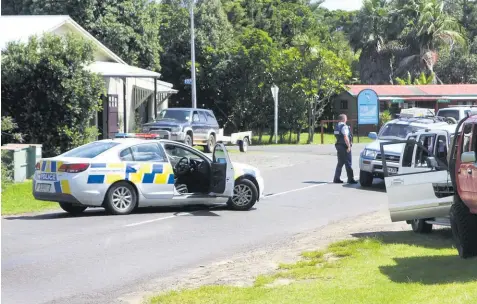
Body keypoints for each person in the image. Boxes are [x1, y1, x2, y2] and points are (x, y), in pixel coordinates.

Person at [333, 114, 358, 184]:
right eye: (346, 118)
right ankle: (350, 179)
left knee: (340, 163)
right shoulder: (344, 127)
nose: (346, 120)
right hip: (344, 146)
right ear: (344, 119)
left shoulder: (337, 126)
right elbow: (345, 137)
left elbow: (338, 136)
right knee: (348, 163)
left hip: (338, 146)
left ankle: (336, 178)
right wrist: (349, 146)